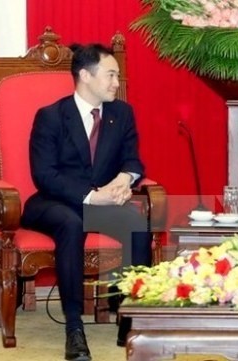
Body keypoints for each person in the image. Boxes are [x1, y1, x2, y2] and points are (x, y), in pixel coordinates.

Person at [21, 43, 152, 361]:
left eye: (117, 76)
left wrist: (126, 179)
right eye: (110, 75)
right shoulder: (52, 116)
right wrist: (94, 196)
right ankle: (74, 328)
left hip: (101, 202)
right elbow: (44, 175)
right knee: (71, 222)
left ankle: (129, 318)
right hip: (55, 202)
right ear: (85, 75)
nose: (116, 83)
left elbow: (134, 160)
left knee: (136, 223)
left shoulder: (122, 113)